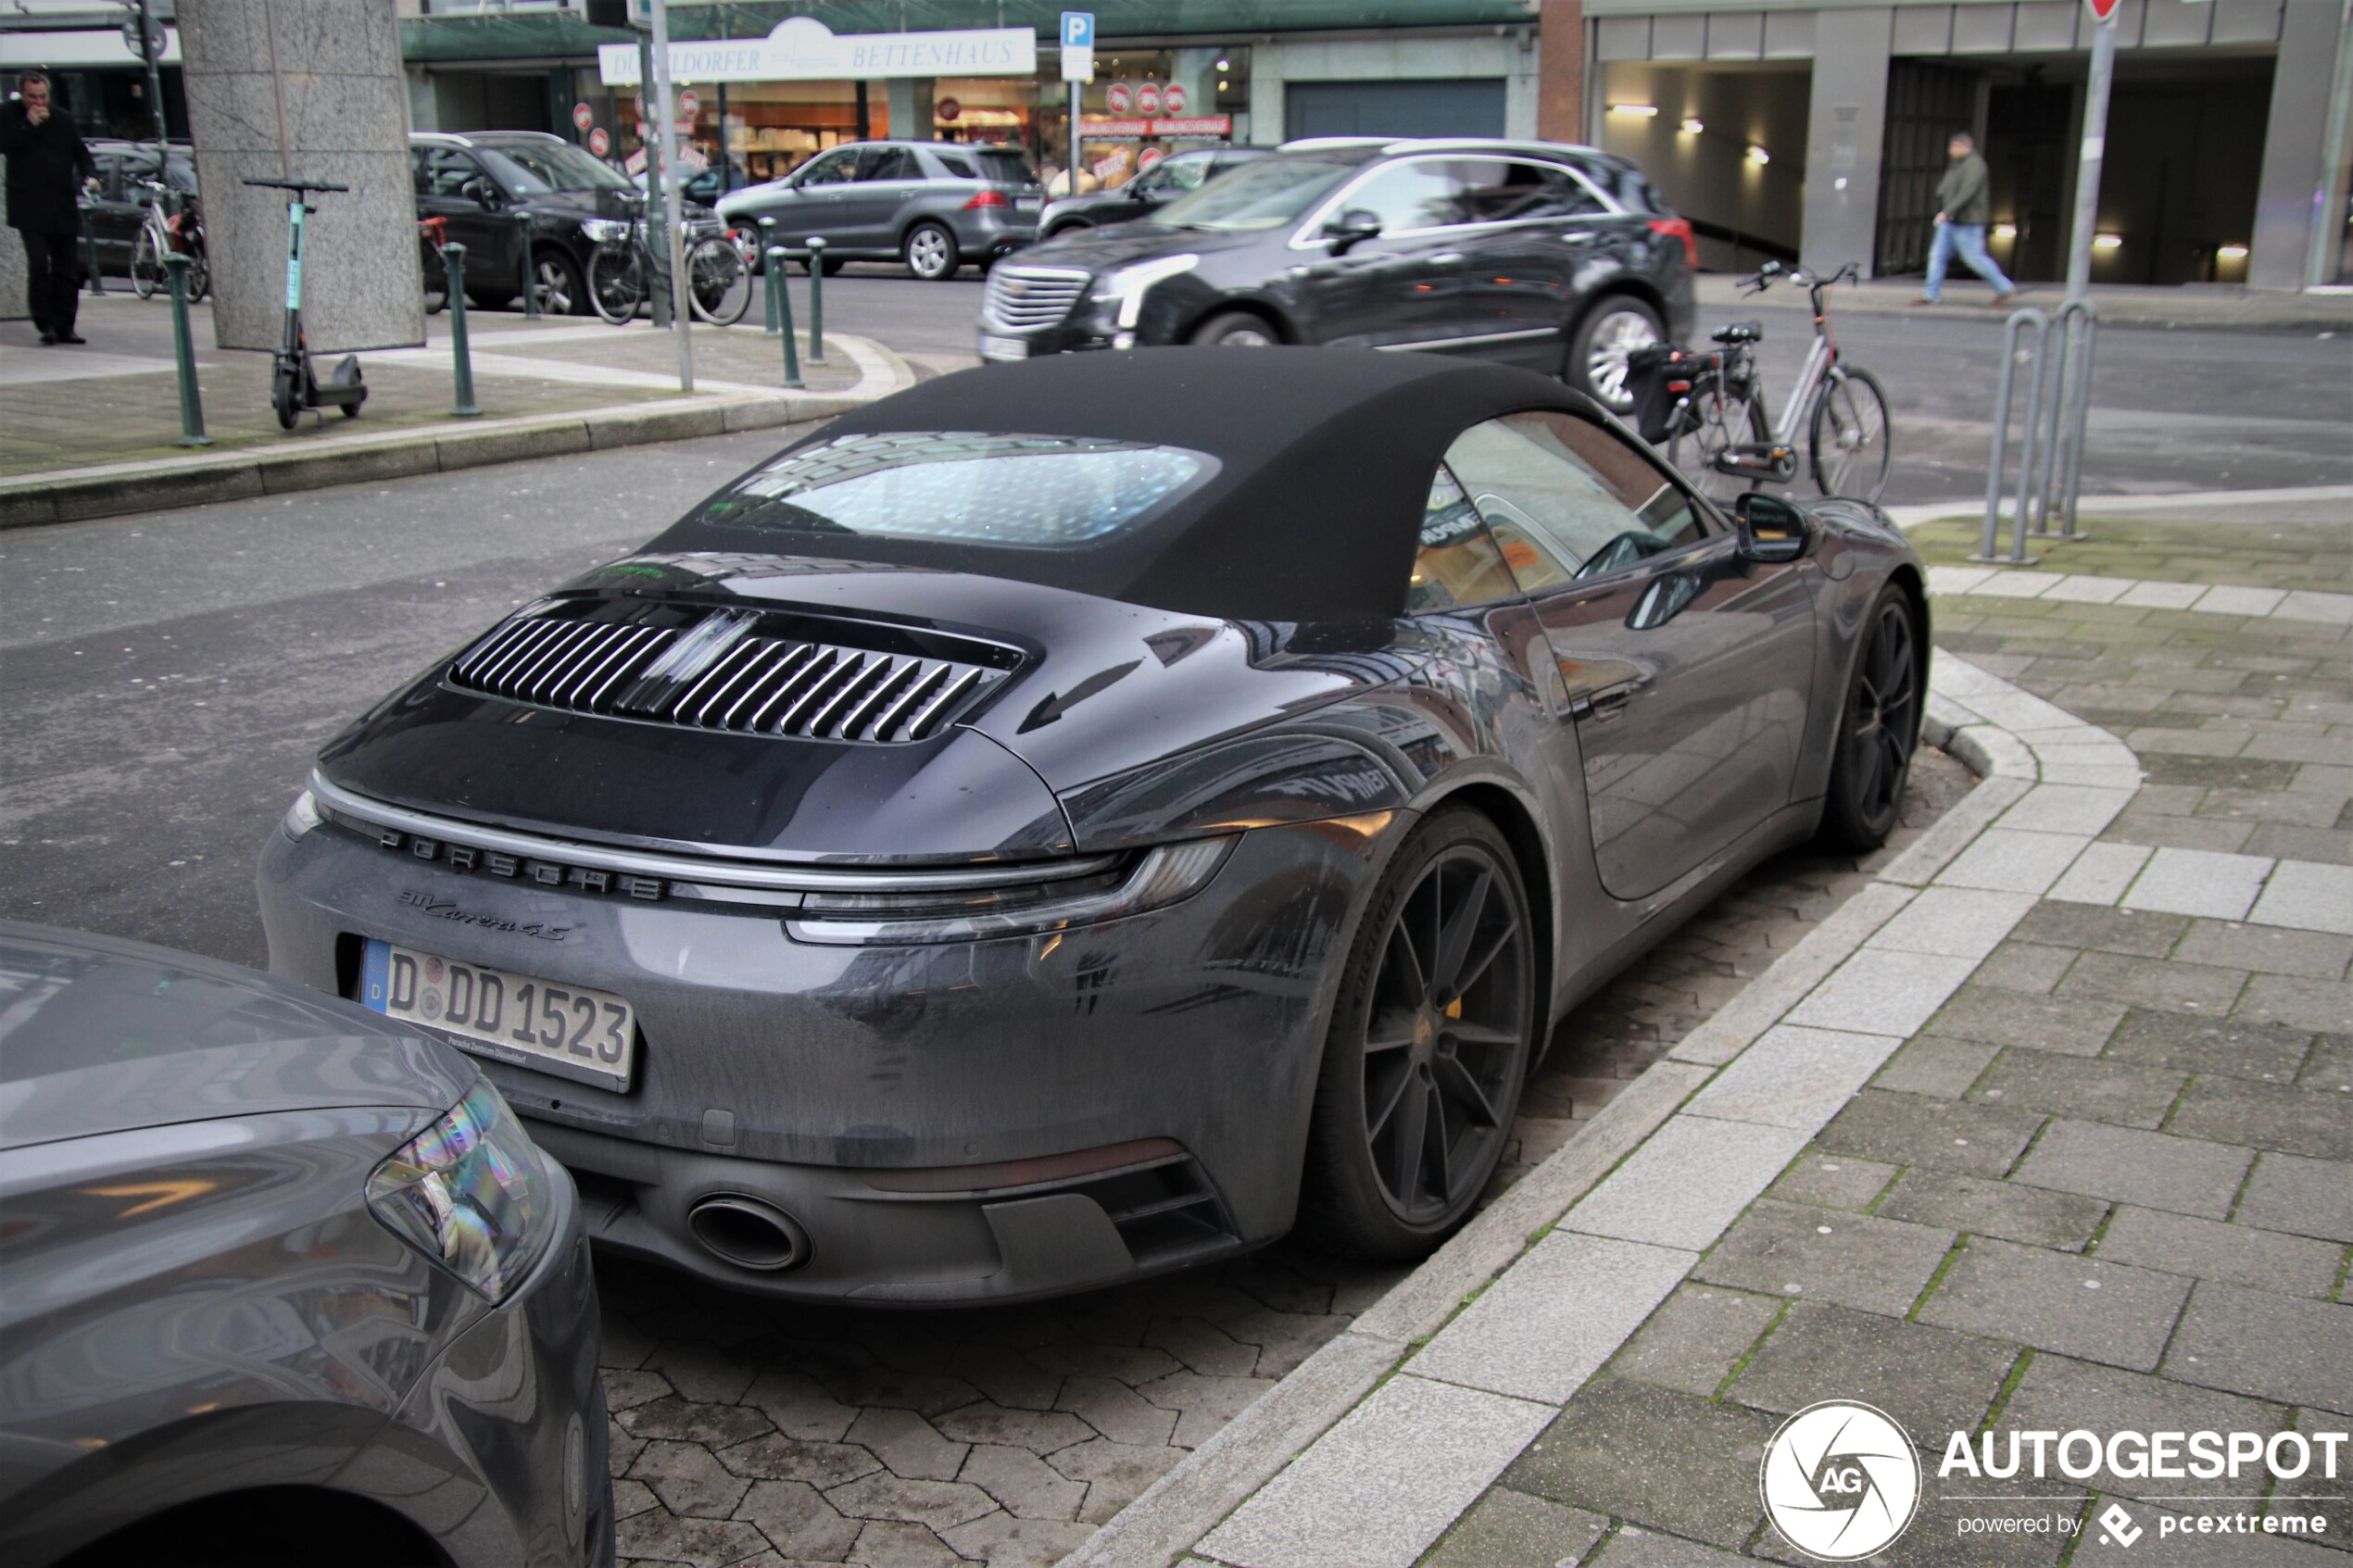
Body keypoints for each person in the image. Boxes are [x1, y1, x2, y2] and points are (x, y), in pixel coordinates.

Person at [1, 70, 98, 345]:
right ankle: (45, 323)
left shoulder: (62, 119)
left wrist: (91, 176)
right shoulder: (8, 114)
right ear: (22, 94)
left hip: (61, 203)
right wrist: (27, 125)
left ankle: (66, 324)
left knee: (68, 269)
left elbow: (80, 153)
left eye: (42, 96)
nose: (38, 102)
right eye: (32, 97)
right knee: (39, 265)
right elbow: (4, 145)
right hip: (28, 206)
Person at [1917, 129, 2013, 308]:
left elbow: (1967, 191)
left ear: (1964, 146)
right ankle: (1930, 295)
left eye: (1954, 147)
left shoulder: (1975, 165)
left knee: (1974, 258)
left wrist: (1947, 211)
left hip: (1967, 221)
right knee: (1937, 256)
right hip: (1953, 220)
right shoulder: (1959, 164)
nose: (1950, 151)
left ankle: (2004, 287)